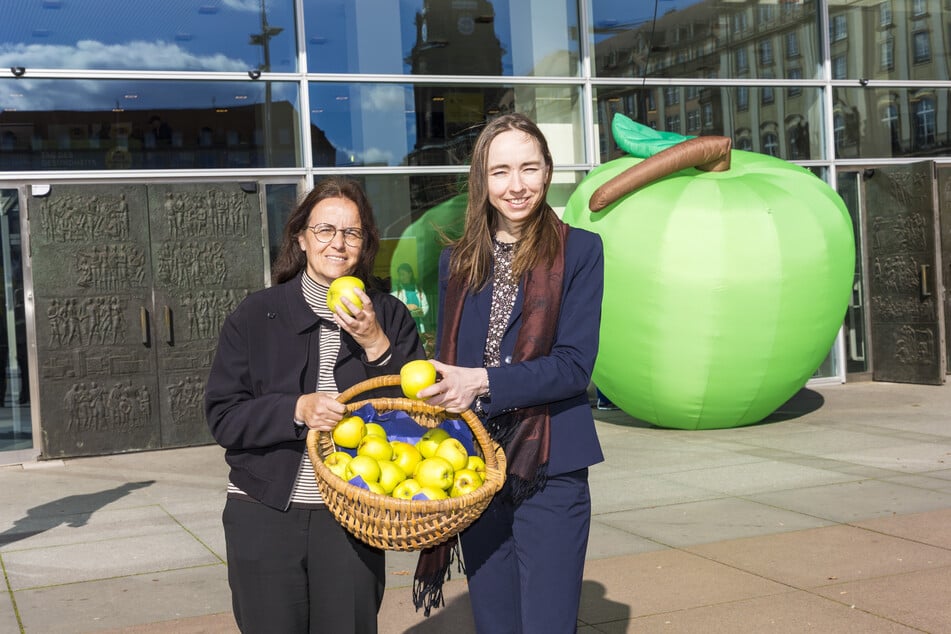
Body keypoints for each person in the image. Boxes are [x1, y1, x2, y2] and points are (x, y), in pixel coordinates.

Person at [205, 176, 426, 634]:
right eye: (325, 230)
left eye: (352, 232)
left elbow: (416, 422)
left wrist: (375, 342)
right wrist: (296, 409)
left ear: (364, 243)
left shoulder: (389, 315)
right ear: (302, 238)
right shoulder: (256, 314)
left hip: (353, 516)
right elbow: (224, 416)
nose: (338, 244)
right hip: (264, 510)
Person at [417, 113, 605, 633]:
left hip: (550, 464)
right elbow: (447, 357)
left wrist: (480, 381)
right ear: (482, 180)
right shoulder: (456, 261)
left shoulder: (581, 252)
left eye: (528, 168)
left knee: (547, 622)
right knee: (495, 622)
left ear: (547, 172)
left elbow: (573, 366)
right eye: (500, 172)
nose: (516, 185)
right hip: (476, 465)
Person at [390, 262, 429, 333]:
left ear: (410, 274)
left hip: (418, 326)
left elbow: (425, 306)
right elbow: (392, 307)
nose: (401, 277)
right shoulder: (396, 291)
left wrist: (421, 311)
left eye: (403, 274)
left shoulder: (419, 290)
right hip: (404, 326)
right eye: (399, 275)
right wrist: (406, 307)